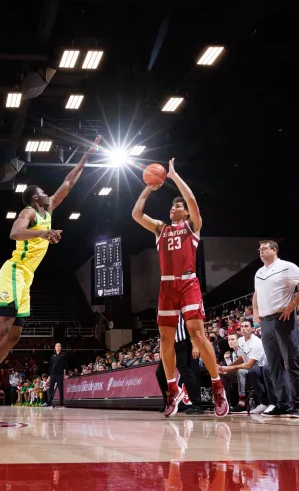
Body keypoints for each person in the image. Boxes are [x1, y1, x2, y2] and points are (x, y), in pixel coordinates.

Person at [0, 138, 98, 418]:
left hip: (27, 278)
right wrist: (43, 233)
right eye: (44, 192)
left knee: (15, 336)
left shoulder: (48, 209)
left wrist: (85, 157)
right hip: (14, 271)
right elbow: (14, 234)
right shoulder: (29, 212)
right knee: (3, 326)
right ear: (35, 197)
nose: (49, 194)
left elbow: (68, 183)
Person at [132, 158, 228, 418]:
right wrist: (148, 188)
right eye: (173, 205)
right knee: (165, 339)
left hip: (188, 282)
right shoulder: (160, 229)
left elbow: (193, 200)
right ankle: (173, 390)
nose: (175, 208)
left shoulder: (191, 227)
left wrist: (173, 176)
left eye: (179, 206)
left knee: (197, 333)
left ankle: (217, 384)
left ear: (185, 213)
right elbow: (136, 214)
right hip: (167, 286)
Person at [253, 241, 299, 417]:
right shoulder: (259, 272)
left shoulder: (286, 266)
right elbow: (256, 293)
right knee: (273, 365)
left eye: (264, 248)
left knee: (291, 362)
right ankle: (281, 403)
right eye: (259, 249)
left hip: (283, 318)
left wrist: (292, 305)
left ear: (274, 250)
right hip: (265, 322)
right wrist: (256, 312)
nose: (261, 251)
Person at [155, 314, 203, 415]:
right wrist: (161, 348)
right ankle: (169, 402)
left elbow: (194, 328)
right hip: (168, 346)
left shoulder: (183, 306)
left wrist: (196, 346)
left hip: (182, 344)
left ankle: (197, 405)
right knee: (160, 373)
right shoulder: (162, 309)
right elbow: (162, 332)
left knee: (186, 372)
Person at [222, 320, 272, 415]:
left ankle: (243, 403)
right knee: (224, 374)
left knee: (241, 371)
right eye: (242, 327)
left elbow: (249, 364)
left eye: (246, 326)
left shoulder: (257, 342)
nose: (243, 329)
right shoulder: (240, 340)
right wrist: (226, 368)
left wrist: (229, 368)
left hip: (261, 368)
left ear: (252, 329)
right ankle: (227, 403)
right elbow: (241, 359)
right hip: (247, 367)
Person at [46, 343, 67, 408]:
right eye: (56, 346)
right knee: (50, 389)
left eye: (58, 346)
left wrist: (66, 374)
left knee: (60, 389)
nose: (57, 347)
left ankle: (61, 404)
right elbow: (50, 366)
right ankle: (50, 404)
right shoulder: (53, 355)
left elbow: (66, 365)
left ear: (61, 347)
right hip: (52, 375)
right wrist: (49, 376)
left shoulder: (64, 355)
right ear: (55, 348)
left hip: (60, 374)